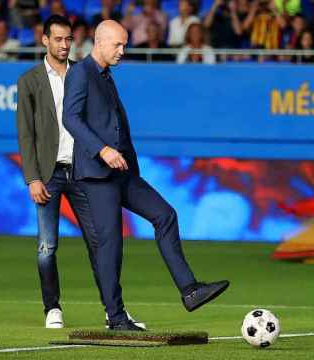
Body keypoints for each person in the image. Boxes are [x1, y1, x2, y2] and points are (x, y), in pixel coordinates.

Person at [63, 20, 229, 331]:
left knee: (165, 214)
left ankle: (190, 291)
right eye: (118, 45)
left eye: (124, 45)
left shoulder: (105, 76)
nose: (123, 51)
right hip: (97, 175)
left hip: (122, 172)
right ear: (99, 43)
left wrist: (123, 158)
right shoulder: (80, 73)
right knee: (111, 244)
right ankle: (115, 317)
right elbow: (70, 118)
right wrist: (103, 150)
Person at [16, 15, 144, 330]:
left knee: (100, 241)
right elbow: (26, 133)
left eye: (68, 39)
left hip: (83, 171)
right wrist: (32, 177)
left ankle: (112, 310)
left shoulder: (85, 72)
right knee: (47, 245)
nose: (63, 45)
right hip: (48, 173)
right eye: (57, 39)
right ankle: (52, 307)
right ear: (44, 40)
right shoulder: (29, 81)